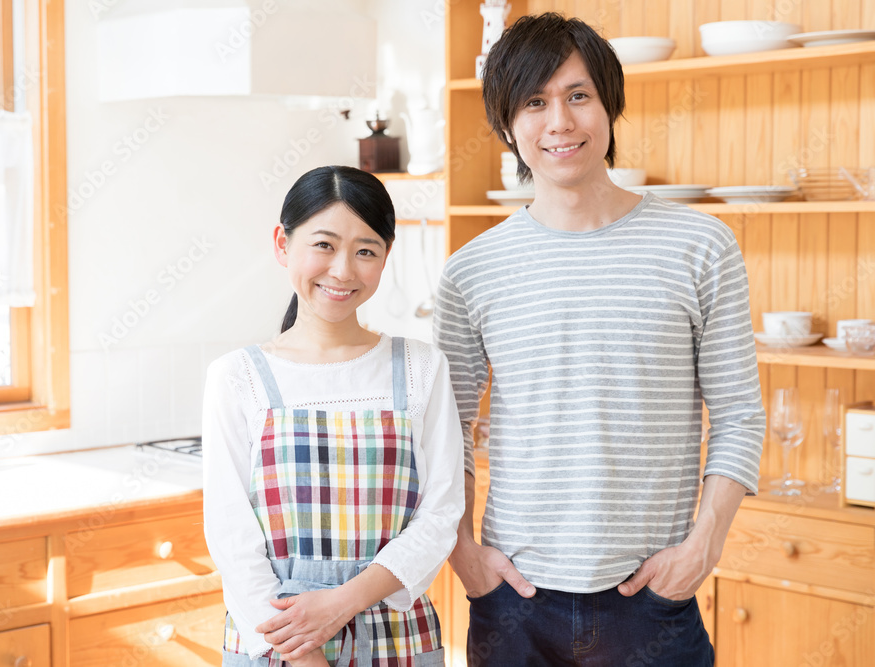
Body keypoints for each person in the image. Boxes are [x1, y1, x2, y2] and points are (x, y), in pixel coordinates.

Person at [433, 13, 766, 666]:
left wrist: (704, 545)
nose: (559, 122)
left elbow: (739, 412)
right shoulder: (471, 269)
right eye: (535, 102)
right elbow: (445, 427)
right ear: (507, 125)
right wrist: (462, 551)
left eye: (578, 95)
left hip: (653, 595)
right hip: (514, 599)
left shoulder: (700, 246)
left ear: (609, 106)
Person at [203, 165, 465, 667]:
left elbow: (442, 514)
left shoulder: (421, 368)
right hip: (276, 639)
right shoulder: (237, 377)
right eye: (323, 244)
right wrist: (303, 653)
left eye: (366, 250)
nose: (343, 270)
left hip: (396, 636)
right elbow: (231, 536)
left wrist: (344, 603)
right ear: (283, 244)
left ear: (386, 259)